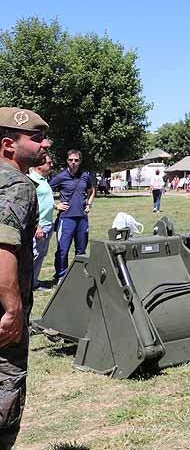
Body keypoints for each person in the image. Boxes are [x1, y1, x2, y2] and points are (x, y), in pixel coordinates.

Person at [0, 107, 50, 449]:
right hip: (4, 320)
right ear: (8, 145)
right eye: (35, 138)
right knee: (6, 392)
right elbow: (2, 246)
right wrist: (13, 309)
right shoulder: (18, 185)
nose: (45, 144)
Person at [49, 149, 95, 284]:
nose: (73, 162)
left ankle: (79, 274)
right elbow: (44, 191)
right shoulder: (61, 177)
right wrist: (55, 205)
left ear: (80, 161)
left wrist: (89, 204)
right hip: (66, 218)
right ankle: (61, 276)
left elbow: (91, 191)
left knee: (81, 250)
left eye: (76, 160)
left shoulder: (85, 176)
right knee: (63, 250)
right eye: (71, 160)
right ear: (67, 161)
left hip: (82, 219)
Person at [28, 152, 55, 290]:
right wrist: (37, 226)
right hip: (39, 226)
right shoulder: (31, 180)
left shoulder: (43, 180)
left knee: (41, 255)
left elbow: (43, 201)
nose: (51, 165)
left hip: (48, 224)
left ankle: (34, 282)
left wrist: (55, 206)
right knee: (34, 255)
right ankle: (25, 284)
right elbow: (30, 206)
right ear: (39, 165)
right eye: (48, 163)